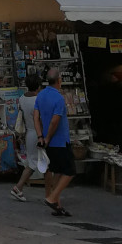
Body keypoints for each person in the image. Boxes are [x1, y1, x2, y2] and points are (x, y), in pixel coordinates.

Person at [34, 65, 75, 216]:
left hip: (47, 141)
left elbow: (35, 117)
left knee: (56, 171)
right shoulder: (59, 98)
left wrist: (41, 136)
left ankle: (57, 204)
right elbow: (55, 121)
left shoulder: (41, 95)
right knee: (69, 171)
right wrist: (49, 136)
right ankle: (52, 198)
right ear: (59, 80)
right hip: (59, 141)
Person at [10, 69, 43, 201]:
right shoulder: (38, 100)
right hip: (37, 133)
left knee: (32, 161)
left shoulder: (22, 99)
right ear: (38, 86)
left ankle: (19, 187)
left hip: (29, 132)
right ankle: (18, 187)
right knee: (33, 163)